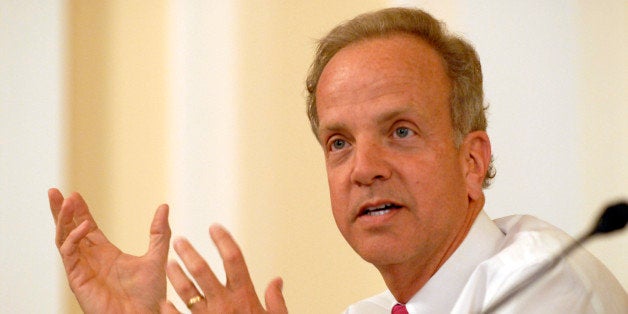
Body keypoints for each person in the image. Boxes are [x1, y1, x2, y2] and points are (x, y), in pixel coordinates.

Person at [49, 7, 626, 314]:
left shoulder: (543, 282)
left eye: (400, 131)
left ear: (472, 161)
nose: (364, 168)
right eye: (339, 142)